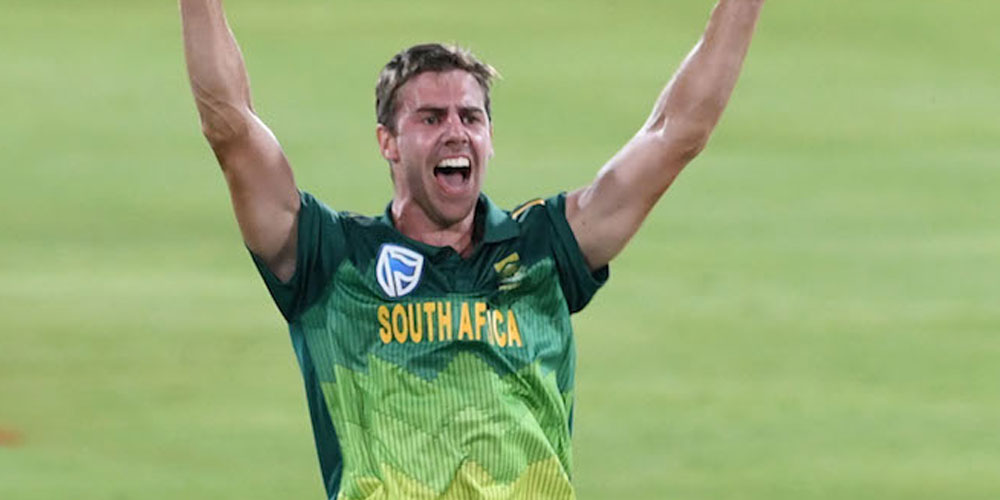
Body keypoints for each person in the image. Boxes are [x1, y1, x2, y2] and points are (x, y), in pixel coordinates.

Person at [180, 0, 764, 498]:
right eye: (431, 118)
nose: (456, 132)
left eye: (471, 117)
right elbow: (230, 127)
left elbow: (675, 132)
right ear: (388, 142)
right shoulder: (332, 260)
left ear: (489, 136)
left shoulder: (545, 248)